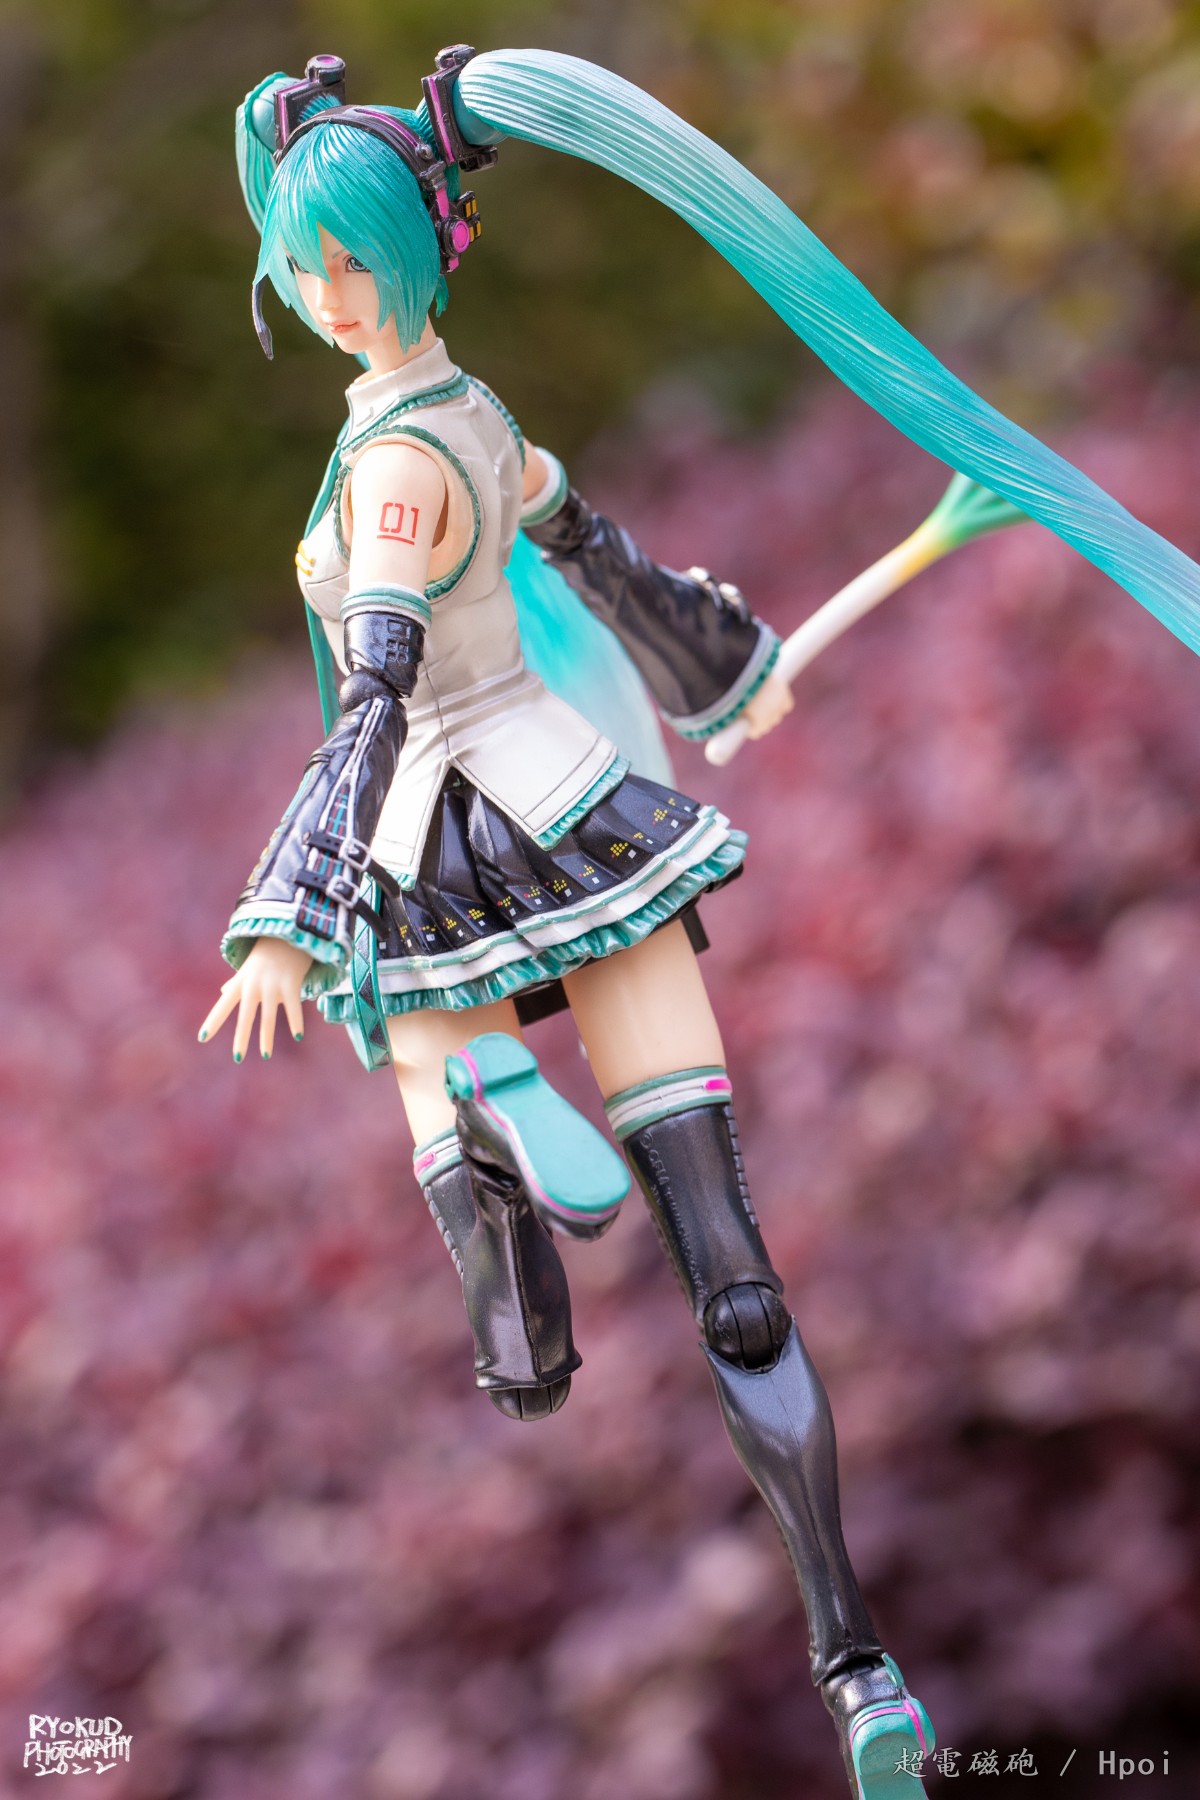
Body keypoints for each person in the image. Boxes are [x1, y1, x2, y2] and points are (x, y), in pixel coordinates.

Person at [201, 46, 1200, 1798]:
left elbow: (374, 697)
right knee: (735, 1287)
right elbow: (606, 561)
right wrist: (722, 670)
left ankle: (493, 1135)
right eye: (312, 267)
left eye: (353, 262)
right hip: (578, 805)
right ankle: (861, 1668)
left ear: (422, 252)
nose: (334, 295)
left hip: (436, 840)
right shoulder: (481, 424)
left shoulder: (390, 477)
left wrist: (285, 908)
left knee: (522, 1353)